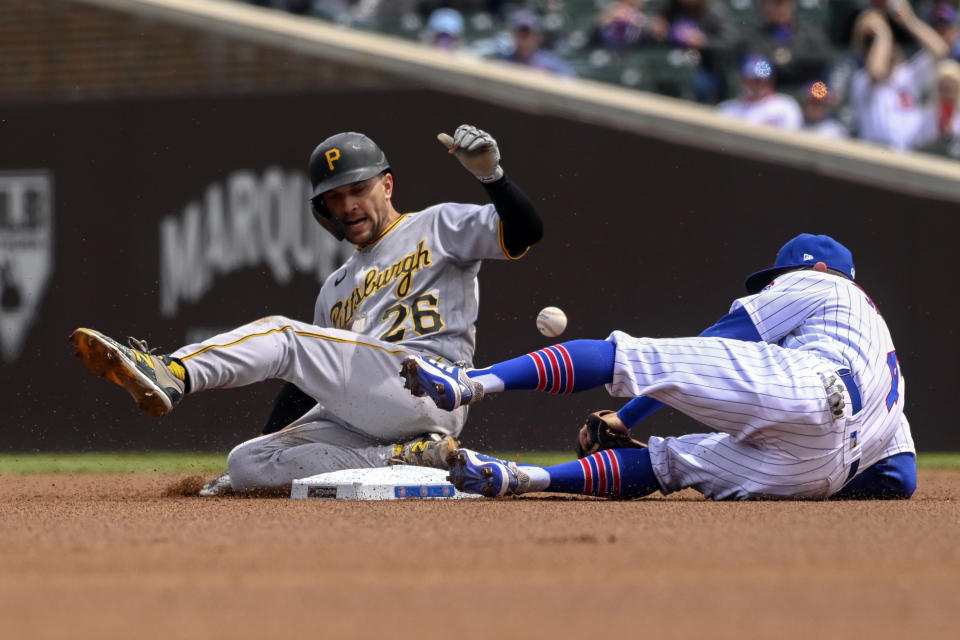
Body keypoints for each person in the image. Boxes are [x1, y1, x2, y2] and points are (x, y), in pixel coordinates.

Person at [70, 124, 543, 494]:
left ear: (388, 184)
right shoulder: (335, 287)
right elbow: (304, 387)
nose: (349, 205)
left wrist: (491, 177)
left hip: (435, 388)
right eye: (335, 198)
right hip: (375, 412)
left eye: (358, 189)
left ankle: (172, 371)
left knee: (283, 335)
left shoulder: (438, 224)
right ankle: (412, 458)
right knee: (248, 461)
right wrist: (274, 442)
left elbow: (526, 231)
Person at [401, 233, 917, 501]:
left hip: (810, 390)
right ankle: (523, 478)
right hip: (820, 471)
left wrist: (627, 418)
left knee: (633, 356)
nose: (772, 287)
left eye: (778, 278)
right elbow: (900, 476)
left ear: (817, 270)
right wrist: (827, 470)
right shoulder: (883, 358)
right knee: (670, 464)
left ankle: (470, 382)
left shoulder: (824, 284)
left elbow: (721, 340)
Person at [850, 1, 949, 150]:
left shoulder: (907, 74)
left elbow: (940, 50)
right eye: (874, 44)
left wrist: (910, 21)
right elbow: (877, 70)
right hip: (874, 156)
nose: (889, 49)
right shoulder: (862, 79)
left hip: (907, 157)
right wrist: (882, 33)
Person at [738, 0, 834, 90]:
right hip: (767, 97)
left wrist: (780, 62)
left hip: (806, 94)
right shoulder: (753, 36)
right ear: (764, 7)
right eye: (774, 4)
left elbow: (820, 61)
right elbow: (757, 67)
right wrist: (794, 63)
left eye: (783, 3)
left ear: (792, 5)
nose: (779, 8)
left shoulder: (811, 35)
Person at [716, 55, 803, 129]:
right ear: (743, 80)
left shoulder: (786, 107)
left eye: (762, 80)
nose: (758, 85)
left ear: (771, 80)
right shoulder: (727, 109)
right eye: (753, 80)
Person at [498, 9, 576, 76]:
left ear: (537, 37)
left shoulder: (550, 62)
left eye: (527, 36)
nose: (524, 42)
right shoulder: (504, 63)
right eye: (520, 36)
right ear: (514, 36)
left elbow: (572, 82)